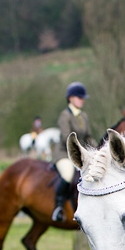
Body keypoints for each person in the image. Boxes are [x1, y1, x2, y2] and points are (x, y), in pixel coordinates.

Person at [51, 82, 95, 222]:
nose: (82, 100)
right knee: (68, 174)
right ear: (70, 98)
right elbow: (66, 138)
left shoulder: (84, 116)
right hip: (64, 153)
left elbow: (88, 137)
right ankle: (58, 208)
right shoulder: (65, 116)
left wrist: (98, 149)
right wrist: (81, 151)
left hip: (79, 153)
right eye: (79, 97)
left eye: (83, 98)